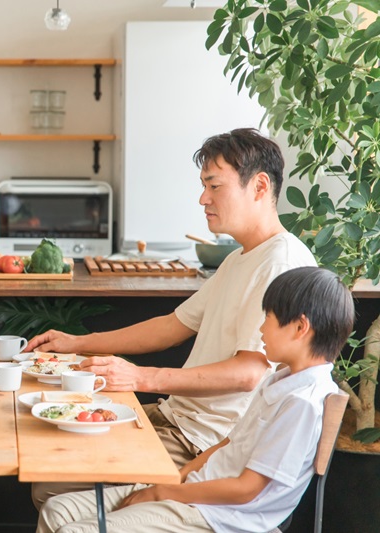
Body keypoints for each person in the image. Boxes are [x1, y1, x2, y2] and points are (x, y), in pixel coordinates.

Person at [27, 128, 317, 508]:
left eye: (214, 186)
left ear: (260, 186)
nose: (203, 198)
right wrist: (78, 342)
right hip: (175, 418)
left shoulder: (281, 264)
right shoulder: (240, 258)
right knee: (46, 458)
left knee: (51, 487)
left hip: (204, 441)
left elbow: (248, 374)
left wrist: (140, 377)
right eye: (203, 186)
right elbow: (171, 326)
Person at [37, 266, 354, 533]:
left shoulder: (304, 401)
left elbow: (247, 489)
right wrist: (173, 481)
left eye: (268, 318)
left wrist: (165, 492)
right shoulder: (280, 379)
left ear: (300, 327)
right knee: (57, 510)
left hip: (220, 517)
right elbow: (227, 445)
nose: (260, 327)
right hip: (196, 491)